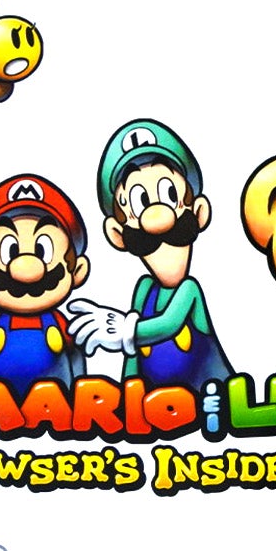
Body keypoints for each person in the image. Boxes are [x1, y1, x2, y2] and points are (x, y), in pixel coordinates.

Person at [68, 119, 233, 388]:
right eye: (140, 202)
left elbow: (168, 324)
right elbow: (133, 356)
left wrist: (125, 330)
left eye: (169, 195)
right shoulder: (145, 289)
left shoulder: (188, 291)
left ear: (198, 212)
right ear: (118, 234)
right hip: (154, 404)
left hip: (213, 399)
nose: (157, 218)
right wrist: (126, 394)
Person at [0, 174, 89, 396]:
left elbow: (77, 365)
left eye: (42, 250)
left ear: (77, 270)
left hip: (57, 411)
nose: (27, 269)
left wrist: (80, 400)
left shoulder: (60, 325)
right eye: (10, 250)